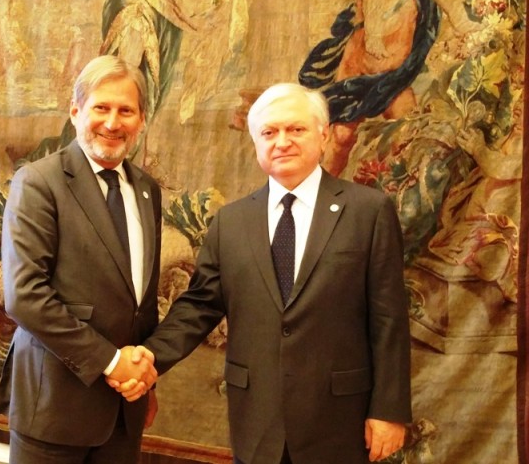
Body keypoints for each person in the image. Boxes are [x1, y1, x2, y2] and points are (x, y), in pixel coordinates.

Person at [111, 83, 412, 463]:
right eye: (269, 132)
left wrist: (388, 410)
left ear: (323, 135)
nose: (282, 142)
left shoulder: (369, 211)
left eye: (296, 129)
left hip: (339, 421)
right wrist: (149, 358)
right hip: (257, 421)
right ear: (256, 143)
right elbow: (199, 307)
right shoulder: (231, 222)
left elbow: (389, 318)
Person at [0, 55, 162, 464]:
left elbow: (140, 301)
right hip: (53, 408)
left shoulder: (147, 190)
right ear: (75, 111)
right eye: (101, 107)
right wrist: (112, 362)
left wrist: (145, 381)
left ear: (141, 120)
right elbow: (25, 296)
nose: (112, 122)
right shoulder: (38, 182)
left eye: (126, 111)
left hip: (124, 410)